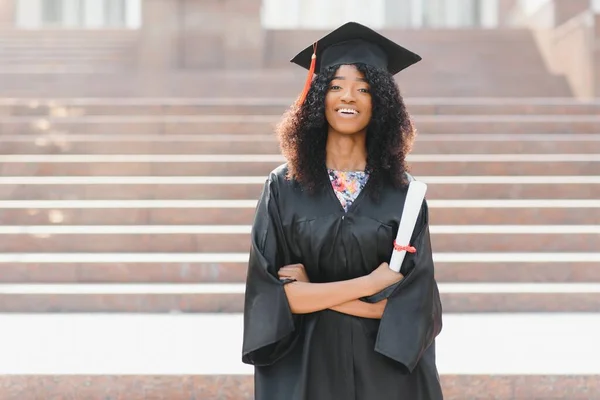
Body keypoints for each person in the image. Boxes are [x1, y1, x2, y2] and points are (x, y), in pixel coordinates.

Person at [241, 21, 444, 400]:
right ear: (318, 96)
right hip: (306, 368)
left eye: (363, 88)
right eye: (335, 86)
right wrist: (370, 286)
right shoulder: (283, 188)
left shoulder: (405, 194)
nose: (347, 97)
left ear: (380, 102)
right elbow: (270, 298)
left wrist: (311, 293)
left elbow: (417, 308)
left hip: (383, 375)